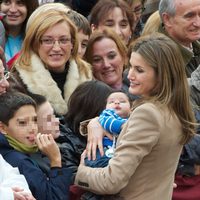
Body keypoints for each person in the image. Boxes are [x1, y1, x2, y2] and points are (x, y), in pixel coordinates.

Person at [74, 33, 196, 200]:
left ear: (161, 76)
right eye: (130, 66)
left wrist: (80, 173)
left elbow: (112, 181)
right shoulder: (173, 109)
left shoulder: (148, 114)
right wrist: (96, 123)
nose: (129, 75)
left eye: (139, 70)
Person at [8, 8, 92, 116]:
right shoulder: (17, 82)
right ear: (35, 44)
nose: (57, 48)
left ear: (72, 44)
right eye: (48, 40)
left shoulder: (86, 75)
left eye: (63, 40)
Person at [0, 91, 72, 200]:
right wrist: (56, 161)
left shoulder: (24, 151)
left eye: (34, 120)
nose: (33, 128)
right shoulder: (18, 160)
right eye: (22, 123)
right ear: (3, 128)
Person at [84, 29, 137, 101]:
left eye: (111, 56)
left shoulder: (143, 92)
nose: (106, 65)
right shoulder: (87, 101)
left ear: (124, 56)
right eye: (97, 59)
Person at [85, 91, 132, 168]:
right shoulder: (106, 115)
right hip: (102, 154)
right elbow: (108, 123)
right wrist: (123, 125)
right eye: (111, 102)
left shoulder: (133, 118)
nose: (117, 102)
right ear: (105, 107)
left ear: (131, 108)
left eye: (122, 101)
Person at [158, 0, 200, 77]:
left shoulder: (195, 47)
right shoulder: (158, 60)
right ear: (167, 19)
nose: (198, 23)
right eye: (189, 16)